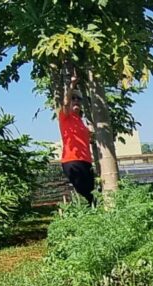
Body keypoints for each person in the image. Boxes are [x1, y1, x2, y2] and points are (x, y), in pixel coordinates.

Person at [57, 75, 96, 205]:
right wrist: (72, 86)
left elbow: (88, 138)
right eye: (73, 98)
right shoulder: (65, 116)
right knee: (84, 192)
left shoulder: (81, 122)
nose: (76, 101)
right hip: (72, 161)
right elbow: (66, 102)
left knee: (92, 194)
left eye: (78, 99)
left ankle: (94, 218)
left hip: (86, 161)